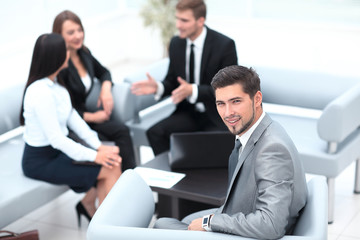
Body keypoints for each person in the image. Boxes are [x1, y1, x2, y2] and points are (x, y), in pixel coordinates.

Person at [154, 65, 308, 239]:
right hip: (240, 215)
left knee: (161, 225)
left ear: (257, 99)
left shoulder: (272, 149)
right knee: (184, 221)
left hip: (251, 234)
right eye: (221, 104)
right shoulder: (259, 130)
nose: (228, 113)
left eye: (236, 101)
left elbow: (271, 225)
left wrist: (209, 223)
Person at [20, 33, 121, 227]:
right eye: (65, 50)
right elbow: (57, 139)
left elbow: (75, 120)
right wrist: (94, 156)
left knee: (112, 161)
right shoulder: (40, 92)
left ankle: (103, 221)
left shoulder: (57, 85)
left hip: (56, 153)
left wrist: (99, 147)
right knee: (109, 167)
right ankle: (107, 229)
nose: (69, 53)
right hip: (40, 160)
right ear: (56, 57)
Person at [131, 0, 238, 156]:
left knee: (213, 149)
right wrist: (159, 87)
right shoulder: (176, 43)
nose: (178, 25)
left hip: (216, 115)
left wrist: (193, 90)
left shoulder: (224, 45)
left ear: (200, 21)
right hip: (188, 113)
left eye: (184, 20)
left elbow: (229, 90)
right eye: (177, 18)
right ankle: (171, 175)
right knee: (155, 133)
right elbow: (173, 81)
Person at [53, 10, 136, 171]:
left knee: (122, 131)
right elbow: (62, 107)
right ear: (59, 36)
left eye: (80, 30)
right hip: (71, 123)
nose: (78, 36)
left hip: (87, 118)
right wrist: (92, 117)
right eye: (71, 32)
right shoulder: (59, 66)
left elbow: (104, 72)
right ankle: (112, 188)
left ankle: (132, 179)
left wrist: (106, 90)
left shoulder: (84, 53)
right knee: (105, 143)